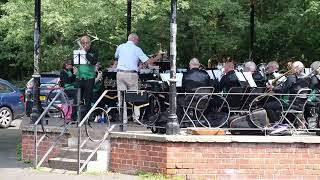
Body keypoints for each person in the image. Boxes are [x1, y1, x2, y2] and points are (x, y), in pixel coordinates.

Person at [114, 33, 162, 124]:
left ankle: (123, 119)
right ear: (134, 39)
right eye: (137, 40)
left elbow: (116, 56)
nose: (138, 42)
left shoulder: (120, 46)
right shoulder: (137, 49)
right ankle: (136, 117)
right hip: (131, 74)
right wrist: (157, 57)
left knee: (121, 97)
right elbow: (148, 62)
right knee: (134, 96)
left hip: (120, 73)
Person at [177, 58, 211, 123]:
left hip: (191, 101)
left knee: (178, 98)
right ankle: (202, 120)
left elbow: (183, 90)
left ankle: (179, 121)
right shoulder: (206, 74)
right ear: (199, 65)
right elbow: (209, 86)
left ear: (190, 65)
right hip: (204, 102)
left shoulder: (186, 75)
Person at [75, 35, 98, 115]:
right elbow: (74, 63)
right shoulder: (79, 51)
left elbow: (93, 61)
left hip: (89, 77)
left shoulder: (94, 51)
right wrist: (78, 53)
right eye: (83, 43)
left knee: (88, 98)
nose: (85, 44)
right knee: (77, 98)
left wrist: (84, 53)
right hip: (80, 77)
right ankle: (74, 116)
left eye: (86, 43)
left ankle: (86, 116)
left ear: (90, 43)